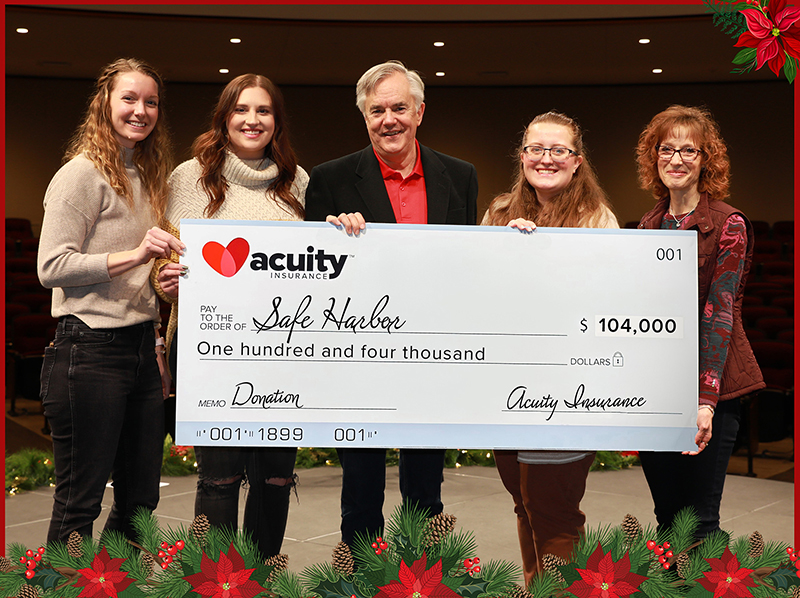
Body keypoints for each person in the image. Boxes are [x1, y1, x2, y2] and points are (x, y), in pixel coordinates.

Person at [304, 60, 478, 547]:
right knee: (360, 491)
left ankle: (424, 578)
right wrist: (336, 237)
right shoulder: (330, 179)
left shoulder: (459, 177)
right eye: (377, 110)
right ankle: (362, 577)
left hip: (432, 355)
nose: (389, 119)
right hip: (357, 358)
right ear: (364, 118)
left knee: (427, 489)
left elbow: (467, 266)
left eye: (399, 107)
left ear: (420, 111)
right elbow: (312, 278)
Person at [155, 74, 308, 558]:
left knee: (276, 477)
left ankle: (260, 578)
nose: (252, 119)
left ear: (276, 122)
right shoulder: (187, 178)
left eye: (264, 111)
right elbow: (160, 255)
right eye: (241, 109)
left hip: (284, 356)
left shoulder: (300, 183)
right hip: (208, 354)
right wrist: (164, 276)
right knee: (219, 477)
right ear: (224, 118)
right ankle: (215, 583)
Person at [37, 58, 184, 543]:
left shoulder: (146, 172)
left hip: (141, 349)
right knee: (80, 501)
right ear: (104, 103)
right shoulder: (80, 175)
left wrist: (158, 349)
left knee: (141, 499)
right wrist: (135, 253)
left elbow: (144, 280)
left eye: (151, 102)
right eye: (129, 98)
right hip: (88, 351)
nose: (140, 110)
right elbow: (51, 267)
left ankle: (113, 584)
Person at [483, 111, 618, 585]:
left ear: (577, 161)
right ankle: (534, 587)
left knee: (555, 511)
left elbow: (604, 304)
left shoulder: (597, 219)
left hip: (567, 389)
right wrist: (506, 250)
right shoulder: (499, 212)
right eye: (536, 149)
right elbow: (482, 293)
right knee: (525, 503)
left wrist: (541, 254)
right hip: (508, 387)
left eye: (558, 150)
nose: (546, 158)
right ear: (522, 157)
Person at [635, 105, 764, 540]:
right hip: (659, 389)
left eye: (689, 150)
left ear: (706, 159)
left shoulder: (729, 224)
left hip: (714, 388)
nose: (676, 159)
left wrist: (704, 401)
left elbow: (720, 313)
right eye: (666, 149)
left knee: (701, 523)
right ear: (654, 158)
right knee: (668, 519)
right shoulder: (649, 226)